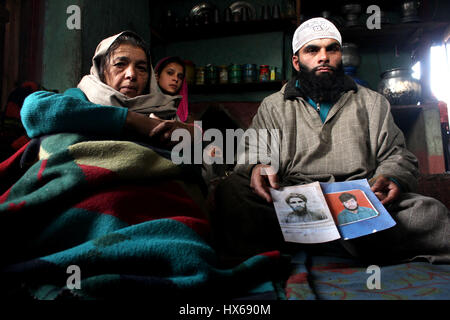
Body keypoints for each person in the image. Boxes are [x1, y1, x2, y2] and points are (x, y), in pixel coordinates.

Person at [213, 17, 450, 263]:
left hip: (359, 202)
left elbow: (396, 155)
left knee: (430, 213)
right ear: (297, 61)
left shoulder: (372, 102)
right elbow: (254, 150)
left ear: (340, 56)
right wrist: (258, 166)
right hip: (293, 201)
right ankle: (354, 247)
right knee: (232, 192)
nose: (323, 56)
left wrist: (391, 176)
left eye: (331, 49)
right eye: (312, 50)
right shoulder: (274, 106)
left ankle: (310, 246)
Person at [20, 31, 197, 149]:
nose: (131, 75)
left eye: (141, 68)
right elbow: (33, 109)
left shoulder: (163, 110)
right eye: (120, 64)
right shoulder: (81, 98)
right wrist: (133, 120)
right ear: (102, 70)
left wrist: (192, 135)